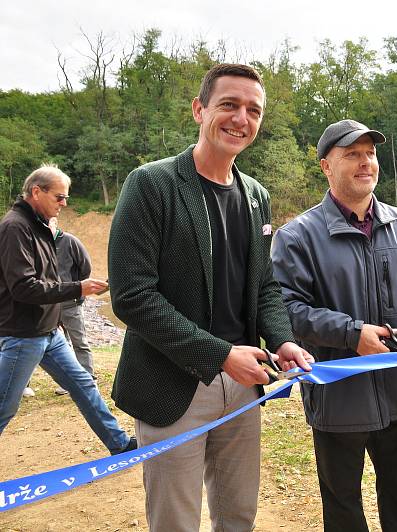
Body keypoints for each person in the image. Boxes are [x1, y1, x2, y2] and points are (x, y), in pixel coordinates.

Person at [108, 63, 314, 532]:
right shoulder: (150, 184)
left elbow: (264, 285)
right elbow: (132, 296)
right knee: (176, 521)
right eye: (229, 105)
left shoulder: (256, 195)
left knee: (238, 514)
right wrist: (219, 355)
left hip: (243, 382)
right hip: (172, 383)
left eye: (253, 110)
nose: (241, 118)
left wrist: (281, 340)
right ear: (200, 110)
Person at [271, 119, 397, 531]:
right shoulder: (297, 236)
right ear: (326, 166)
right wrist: (352, 334)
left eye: (369, 153)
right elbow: (285, 310)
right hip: (338, 400)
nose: (365, 162)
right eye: (352, 154)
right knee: (343, 505)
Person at [0, 164, 135, 455]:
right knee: (4, 407)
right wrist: (78, 288)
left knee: (84, 386)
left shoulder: (40, 226)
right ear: (37, 192)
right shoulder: (15, 228)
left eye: (66, 198)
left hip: (48, 332)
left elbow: (47, 280)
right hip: (23, 335)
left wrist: (58, 316)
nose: (64, 204)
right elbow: (24, 288)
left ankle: (119, 444)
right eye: (59, 197)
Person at [48, 217, 95, 395]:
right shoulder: (39, 243)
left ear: (55, 224)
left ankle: (88, 379)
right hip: (49, 305)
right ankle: (67, 383)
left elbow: (86, 267)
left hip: (71, 304)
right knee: (58, 345)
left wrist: (78, 291)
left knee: (79, 342)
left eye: (49, 225)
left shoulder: (70, 241)